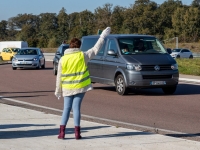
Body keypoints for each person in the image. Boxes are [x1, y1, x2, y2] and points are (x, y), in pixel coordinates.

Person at [55, 27, 111, 140]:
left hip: (67, 88)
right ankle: (77, 133)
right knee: (76, 109)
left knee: (66, 108)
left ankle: (62, 133)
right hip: (80, 87)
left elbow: (59, 76)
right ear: (79, 46)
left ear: (69, 46)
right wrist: (102, 37)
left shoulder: (63, 59)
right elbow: (95, 49)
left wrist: (58, 91)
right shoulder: (83, 56)